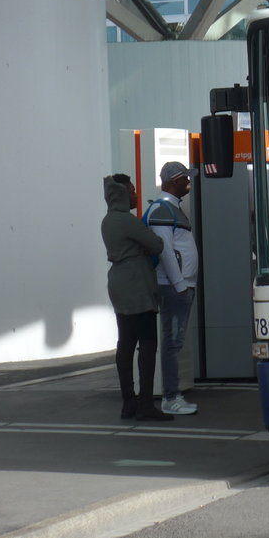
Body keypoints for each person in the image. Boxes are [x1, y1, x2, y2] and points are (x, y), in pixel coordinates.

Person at [100, 174, 173, 421]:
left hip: (118, 283)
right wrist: (146, 245)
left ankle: (128, 402)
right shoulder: (126, 221)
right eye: (131, 190)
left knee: (126, 343)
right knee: (148, 342)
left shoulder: (108, 220)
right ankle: (145, 404)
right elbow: (157, 244)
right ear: (120, 194)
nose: (135, 194)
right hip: (136, 284)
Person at [145, 161, 200, 416]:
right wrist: (179, 284)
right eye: (183, 178)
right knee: (172, 343)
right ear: (171, 182)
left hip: (179, 286)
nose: (187, 182)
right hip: (174, 287)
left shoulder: (168, 208)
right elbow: (164, 249)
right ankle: (170, 397)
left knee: (173, 342)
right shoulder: (163, 209)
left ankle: (172, 395)